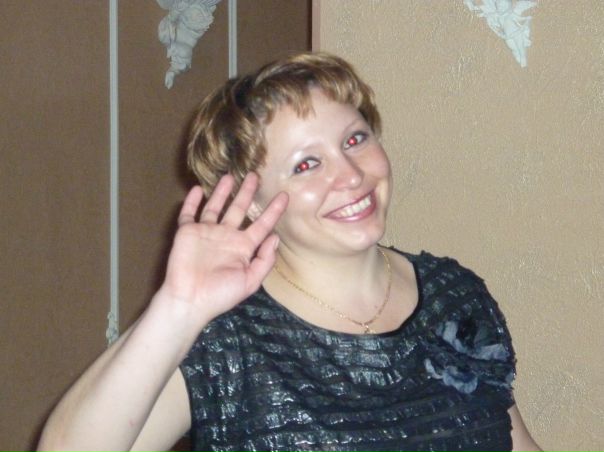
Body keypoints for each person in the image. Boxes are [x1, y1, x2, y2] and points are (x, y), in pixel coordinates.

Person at [37, 52, 542, 452]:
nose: (351, 176)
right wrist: (179, 307)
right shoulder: (224, 334)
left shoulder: (455, 294)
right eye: (306, 165)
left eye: (355, 139)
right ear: (251, 201)